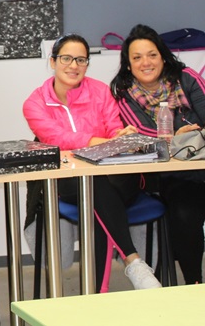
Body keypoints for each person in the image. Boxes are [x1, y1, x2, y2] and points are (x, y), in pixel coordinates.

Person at [23, 34, 161, 291]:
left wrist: (121, 136)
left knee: (97, 200)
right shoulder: (35, 103)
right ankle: (134, 262)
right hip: (69, 184)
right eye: (66, 58)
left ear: (87, 64)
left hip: (116, 177)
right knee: (94, 187)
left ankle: (99, 295)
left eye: (81, 60)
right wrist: (103, 141)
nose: (73, 65)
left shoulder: (100, 91)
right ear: (52, 62)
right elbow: (57, 138)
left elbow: (114, 128)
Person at [111, 24, 205, 284]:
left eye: (152, 54)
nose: (146, 62)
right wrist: (182, 136)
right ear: (128, 65)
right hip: (170, 176)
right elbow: (145, 137)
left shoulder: (187, 78)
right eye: (137, 57)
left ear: (162, 56)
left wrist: (179, 137)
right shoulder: (123, 94)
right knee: (185, 213)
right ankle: (194, 284)